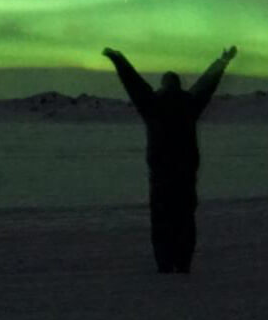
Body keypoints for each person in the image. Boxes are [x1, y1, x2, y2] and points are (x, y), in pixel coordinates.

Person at [102, 45, 238, 273]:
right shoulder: (188, 104)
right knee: (184, 219)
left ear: (164, 84)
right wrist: (222, 62)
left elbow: (133, 83)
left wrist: (119, 59)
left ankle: (165, 264)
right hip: (184, 174)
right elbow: (207, 83)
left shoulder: (153, 105)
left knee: (162, 220)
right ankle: (182, 263)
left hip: (162, 175)